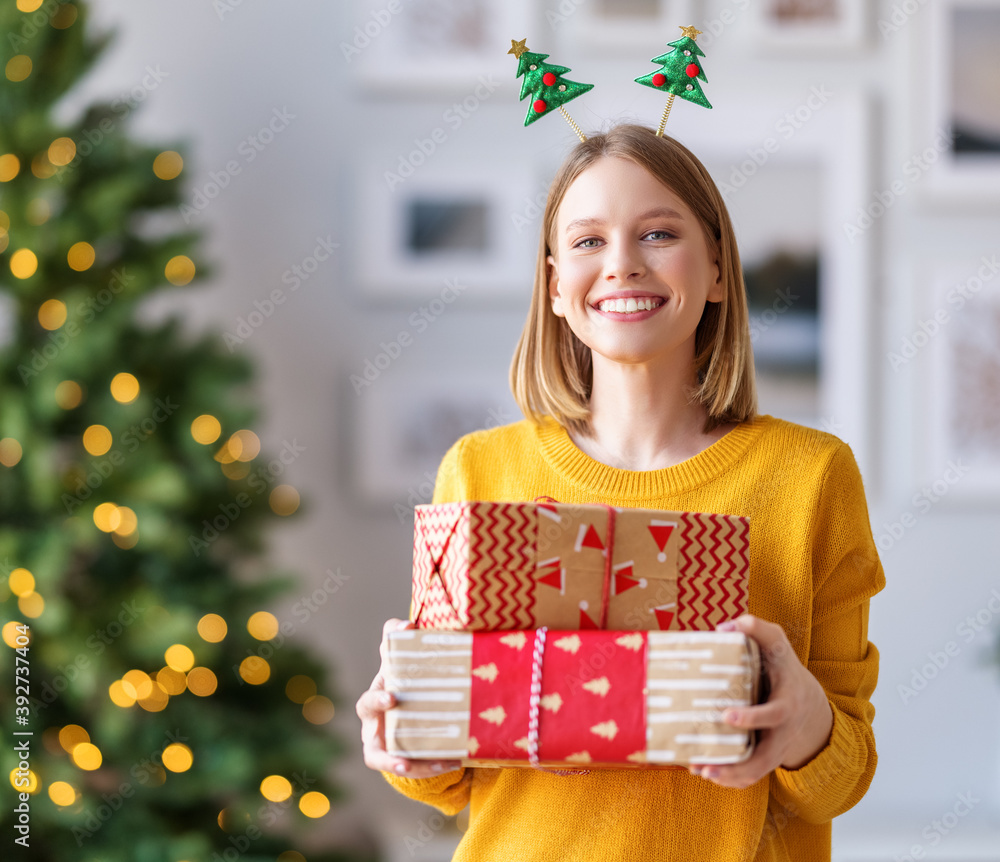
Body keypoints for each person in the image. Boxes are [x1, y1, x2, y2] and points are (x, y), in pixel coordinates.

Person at [356, 124, 884, 861]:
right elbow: (451, 779)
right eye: (588, 241)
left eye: (659, 234)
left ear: (720, 271)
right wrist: (405, 735)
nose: (623, 265)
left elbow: (843, 777)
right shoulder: (478, 472)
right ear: (554, 289)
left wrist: (806, 726)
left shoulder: (813, 477)